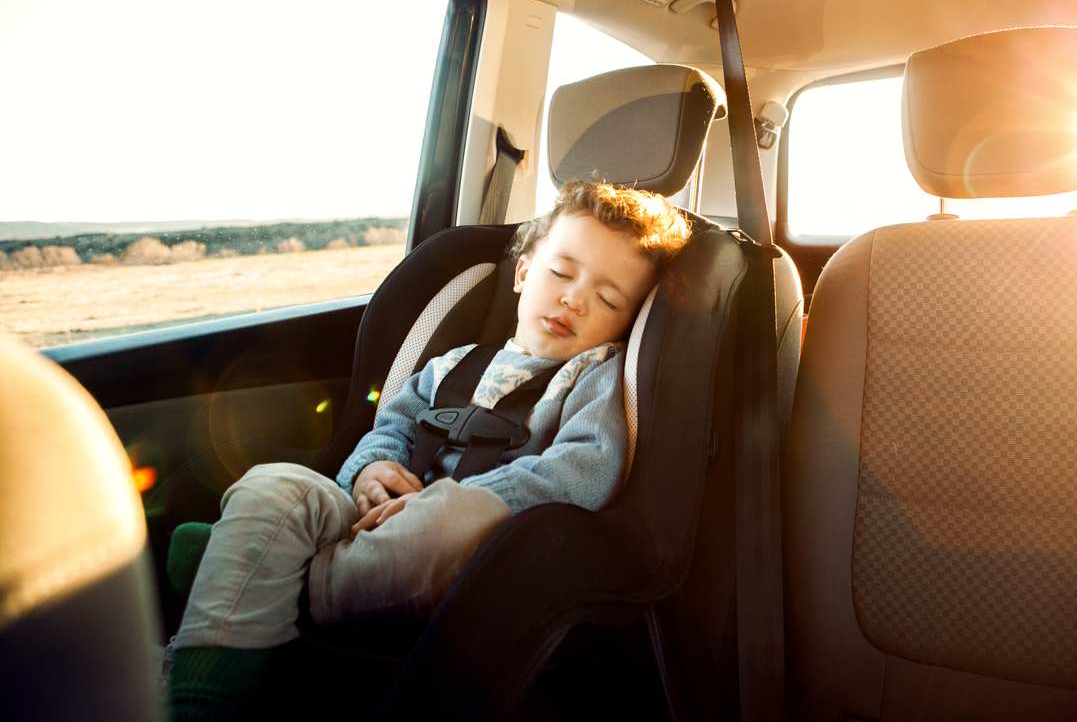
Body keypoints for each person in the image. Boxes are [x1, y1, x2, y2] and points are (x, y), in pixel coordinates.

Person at [166, 179, 692, 719]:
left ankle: (257, 569)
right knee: (275, 484)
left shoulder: (597, 378)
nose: (574, 298)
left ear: (627, 323)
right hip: (373, 518)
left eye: (607, 298)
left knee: (453, 520)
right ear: (524, 272)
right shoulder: (450, 363)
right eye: (561, 272)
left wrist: (459, 498)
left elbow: (583, 468)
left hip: (466, 546)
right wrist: (372, 469)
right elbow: (389, 426)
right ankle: (201, 697)